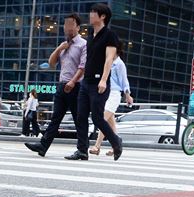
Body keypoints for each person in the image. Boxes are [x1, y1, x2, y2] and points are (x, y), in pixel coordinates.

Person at [66, 3, 123, 161]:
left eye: (93, 12)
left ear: (102, 16)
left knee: (98, 117)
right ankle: (82, 151)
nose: (90, 14)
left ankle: (116, 142)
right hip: (86, 82)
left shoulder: (109, 35)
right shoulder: (91, 35)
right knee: (81, 116)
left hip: (99, 82)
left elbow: (109, 59)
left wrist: (104, 80)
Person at [24, 12, 86, 157]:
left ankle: (83, 150)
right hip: (62, 85)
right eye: (65, 25)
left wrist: (73, 81)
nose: (68, 27)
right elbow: (52, 64)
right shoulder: (63, 44)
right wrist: (59, 49)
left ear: (77, 27)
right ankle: (43, 146)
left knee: (79, 119)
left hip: (75, 87)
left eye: (71, 24)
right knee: (55, 118)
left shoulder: (83, 45)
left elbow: (83, 67)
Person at [90, 39, 133, 156]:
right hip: (106, 93)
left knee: (102, 119)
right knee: (111, 124)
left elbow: (124, 81)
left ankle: (97, 146)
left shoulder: (119, 64)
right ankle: (117, 145)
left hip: (114, 95)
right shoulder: (108, 62)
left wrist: (128, 95)